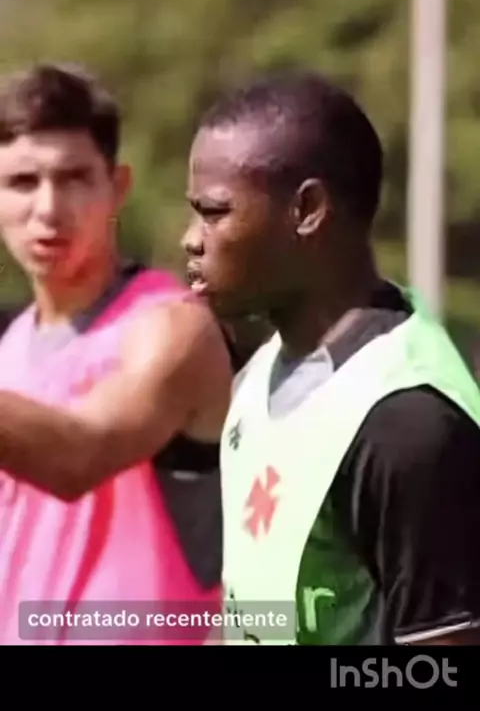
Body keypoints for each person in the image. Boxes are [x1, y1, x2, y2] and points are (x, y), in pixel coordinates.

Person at [183, 69, 480, 646]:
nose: (191, 238)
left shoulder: (408, 425)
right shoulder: (264, 370)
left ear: (308, 210)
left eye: (214, 212)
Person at [0, 63, 233, 645]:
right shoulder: (9, 348)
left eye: (74, 178)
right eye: (22, 182)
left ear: (118, 186)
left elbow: (79, 455)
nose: (48, 208)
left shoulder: (173, 328)